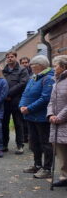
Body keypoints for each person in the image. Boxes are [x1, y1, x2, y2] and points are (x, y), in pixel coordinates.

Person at [20, 55, 54, 178]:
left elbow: (45, 98)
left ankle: (47, 169)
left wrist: (29, 108)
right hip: (30, 116)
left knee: (45, 143)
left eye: (32, 66)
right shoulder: (33, 78)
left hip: (41, 117)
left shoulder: (48, 78)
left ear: (40, 66)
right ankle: (37, 165)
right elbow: (25, 93)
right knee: (34, 142)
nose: (31, 68)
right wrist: (22, 105)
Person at [2, 51, 29, 154]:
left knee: (18, 124)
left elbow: (23, 84)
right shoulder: (3, 71)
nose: (10, 58)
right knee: (4, 124)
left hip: (17, 100)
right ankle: (4, 145)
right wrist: (5, 96)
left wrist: (8, 94)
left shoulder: (22, 70)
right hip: (5, 102)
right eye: (8, 57)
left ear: (16, 57)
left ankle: (20, 145)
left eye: (12, 57)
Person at [47, 55, 67, 187]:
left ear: (63, 67)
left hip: (63, 120)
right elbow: (51, 102)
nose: (54, 68)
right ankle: (64, 176)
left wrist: (60, 116)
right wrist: (50, 114)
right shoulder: (56, 82)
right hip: (56, 122)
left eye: (56, 66)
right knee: (60, 151)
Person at [20, 57, 31, 143]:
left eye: (26, 62)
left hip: (30, 98)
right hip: (21, 97)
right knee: (22, 119)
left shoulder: (32, 73)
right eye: (23, 63)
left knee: (29, 118)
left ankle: (29, 136)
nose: (24, 64)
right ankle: (24, 136)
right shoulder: (20, 73)